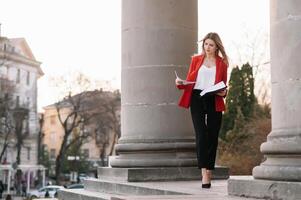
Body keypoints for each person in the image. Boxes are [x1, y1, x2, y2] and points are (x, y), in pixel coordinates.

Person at [175, 32, 228, 189]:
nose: (207, 47)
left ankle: (209, 168)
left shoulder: (222, 64)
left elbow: (224, 86)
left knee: (212, 134)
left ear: (217, 46)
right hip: (197, 97)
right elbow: (190, 81)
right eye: (206, 44)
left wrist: (224, 92)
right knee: (201, 134)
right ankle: (204, 172)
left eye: (211, 45)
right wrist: (180, 82)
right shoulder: (196, 60)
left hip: (213, 98)